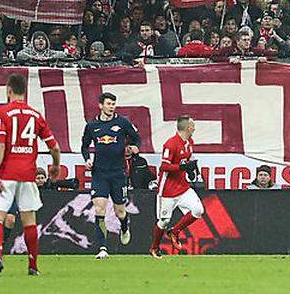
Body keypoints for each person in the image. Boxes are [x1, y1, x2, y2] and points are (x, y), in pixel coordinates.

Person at [0, 73, 60, 276]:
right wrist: (55, 165)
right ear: (24, 91)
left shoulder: (1, 113)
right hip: (28, 175)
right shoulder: (36, 115)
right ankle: (33, 266)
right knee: (29, 222)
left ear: (9, 90)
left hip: (7, 174)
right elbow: (54, 147)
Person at [81, 91, 141, 259]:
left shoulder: (123, 122)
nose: (111, 107)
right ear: (101, 105)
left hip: (118, 173)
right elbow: (84, 147)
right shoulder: (91, 126)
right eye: (108, 104)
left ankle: (124, 226)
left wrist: (135, 147)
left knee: (119, 211)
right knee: (99, 208)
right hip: (99, 173)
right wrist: (87, 159)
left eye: (113, 104)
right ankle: (102, 248)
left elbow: (137, 139)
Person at [149, 115, 204, 258]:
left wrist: (192, 171)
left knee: (198, 210)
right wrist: (182, 167)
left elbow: (188, 161)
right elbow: (164, 166)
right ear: (187, 128)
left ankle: (175, 231)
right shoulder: (171, 144)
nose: (194, 128)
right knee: (164, 221)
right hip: (167, 189)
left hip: (183, 187)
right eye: (193, 126)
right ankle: (154, 248)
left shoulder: (189, 142)